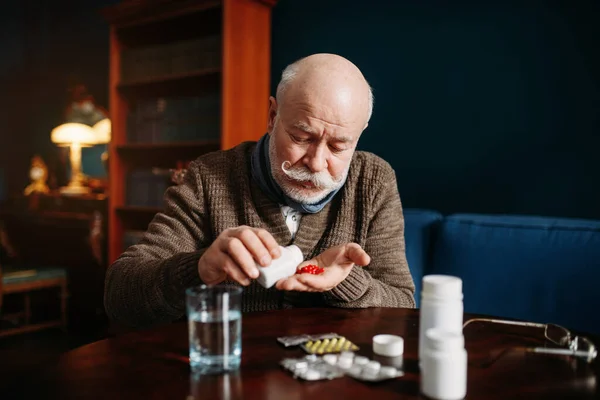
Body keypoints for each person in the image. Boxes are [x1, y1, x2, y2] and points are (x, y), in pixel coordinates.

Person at [104, 53, 415, 328]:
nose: (316, 163)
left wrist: (344, 280)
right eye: (302, 137)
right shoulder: (208, 177)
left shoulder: (374, 181)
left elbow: (403, 304)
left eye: (338, 146)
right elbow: (120, 296)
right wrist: (198, 268)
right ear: (271, 116)